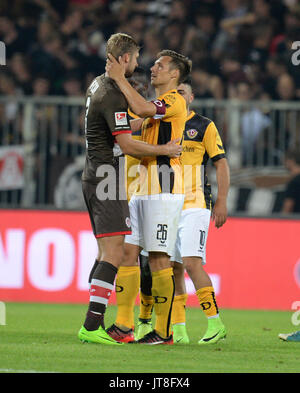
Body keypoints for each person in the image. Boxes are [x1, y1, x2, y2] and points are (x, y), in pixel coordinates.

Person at [78, 33, 182, 346]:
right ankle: (92, 324)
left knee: (106, 253)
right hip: (108, 177)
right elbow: (124, 143)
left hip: (97, 175)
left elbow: (123, 125)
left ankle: (102, 318)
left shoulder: (99, 84)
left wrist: (141, 127)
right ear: (125, 59)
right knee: (116, 253)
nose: (140, 64)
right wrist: (164, 149)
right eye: (136, 58)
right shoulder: (113, 91)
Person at [105, 49, 192, 345]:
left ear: (174, 75)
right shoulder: (157, 107)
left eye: (161, 65)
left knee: (158, 258)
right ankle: (123, 325)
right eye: (154, 64)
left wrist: (120, 79)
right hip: (141, 188)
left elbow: (142, 110)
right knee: (129, 253)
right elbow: (133, 124)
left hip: (164, 188)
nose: (153, 69)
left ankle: (164, 330)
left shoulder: (173, 101)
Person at [136, 80, 230, 345]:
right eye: (174, 93)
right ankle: (179, 330)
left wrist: (222, 201)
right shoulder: (162, 125)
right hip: (168, 203)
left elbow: (221, 163)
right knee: (173, 268)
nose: (177, 96)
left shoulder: (203, 126)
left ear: (191, 97)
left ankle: (215, 323)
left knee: (191, 262)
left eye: (181, 92)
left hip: (195, 203)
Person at [281, 148, 300, 214]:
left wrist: (282, 221)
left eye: (285, 160)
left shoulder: (294, 182)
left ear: (291, 161)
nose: (283, 163)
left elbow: (288, 205)